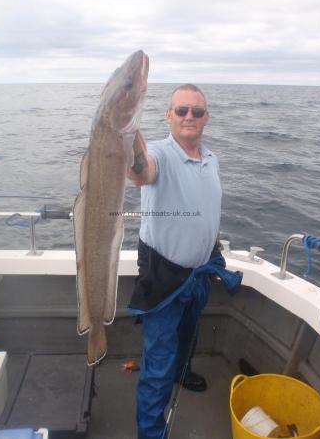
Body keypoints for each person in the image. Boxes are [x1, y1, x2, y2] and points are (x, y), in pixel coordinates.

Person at [127, 84, 241, 439]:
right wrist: (126, 128)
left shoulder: (211, 158)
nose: (189, 116)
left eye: (196, 111)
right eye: (181, 110)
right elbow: (140, 170)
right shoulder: (159, 153)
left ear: (206, 117)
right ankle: (150, 431)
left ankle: (183, 370)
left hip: (200, 271)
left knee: (188, 336)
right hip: (164, 275)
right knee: (158, 361)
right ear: (168, 115)